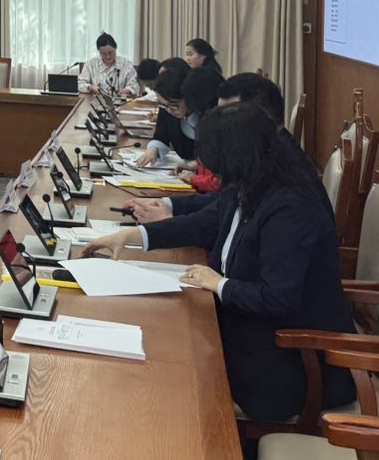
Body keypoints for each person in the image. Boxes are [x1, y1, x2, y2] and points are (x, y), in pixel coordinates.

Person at [83, 103, 356, 422]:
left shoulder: (290, 207)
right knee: (160, 340)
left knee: (168, 377)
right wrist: (132, 236)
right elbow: (203, 223)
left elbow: (278, 297)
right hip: (248, 330)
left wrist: (219, 284)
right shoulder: (252, 183)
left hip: (292, 363)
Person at [128, 71, 291, 223]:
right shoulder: (258, 155)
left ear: (261, 118)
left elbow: (224, 220)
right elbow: (222, 202)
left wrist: (171, 219)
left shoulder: (281, 181)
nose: (221, 126)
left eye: (230, 116)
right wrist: (167, 205)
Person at [77, 32, 140, 97]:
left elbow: (135, 87)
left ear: (115, 48)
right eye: (103, 53)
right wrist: (90, 87)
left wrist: (125, 91)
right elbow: (79, 84)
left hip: (120, 101)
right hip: (96, 101)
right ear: (99, 51)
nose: (108, 56)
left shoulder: (127, 65)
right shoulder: (90, 65)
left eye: (111, 52)